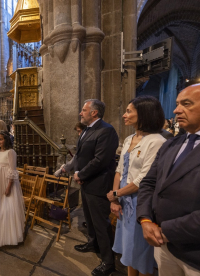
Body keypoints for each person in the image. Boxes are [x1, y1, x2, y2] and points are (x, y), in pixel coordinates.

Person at [137, 84, 200, 276]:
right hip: (163, 246)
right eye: (177, 104)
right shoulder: (171, 144)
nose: (176, 110)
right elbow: (149, 183)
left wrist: (166, 230)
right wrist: (145, 219)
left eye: (186, 104)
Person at [106, 96, 166, 276]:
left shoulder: (156, 141)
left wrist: (116, 192)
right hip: (124, 199)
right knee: (128, 248)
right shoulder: (129, 138)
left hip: (141, 201)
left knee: (140, 251)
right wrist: (115, 198)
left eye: (129, 111)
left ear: (144, 114)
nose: (124, 115)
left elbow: (143, 179)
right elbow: (119, 169)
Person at [72, 99, 119, 276]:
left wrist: (81, 174)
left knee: (101, 223)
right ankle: (93, 243)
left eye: (83, 110)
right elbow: (80, 155)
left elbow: (100, 160)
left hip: (98, 184)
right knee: (90, 219)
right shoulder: (87, 130)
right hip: (87, 182)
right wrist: (79, 173)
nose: (80, 113)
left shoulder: (106, 130)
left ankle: (108, 262)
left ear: (94, 113)